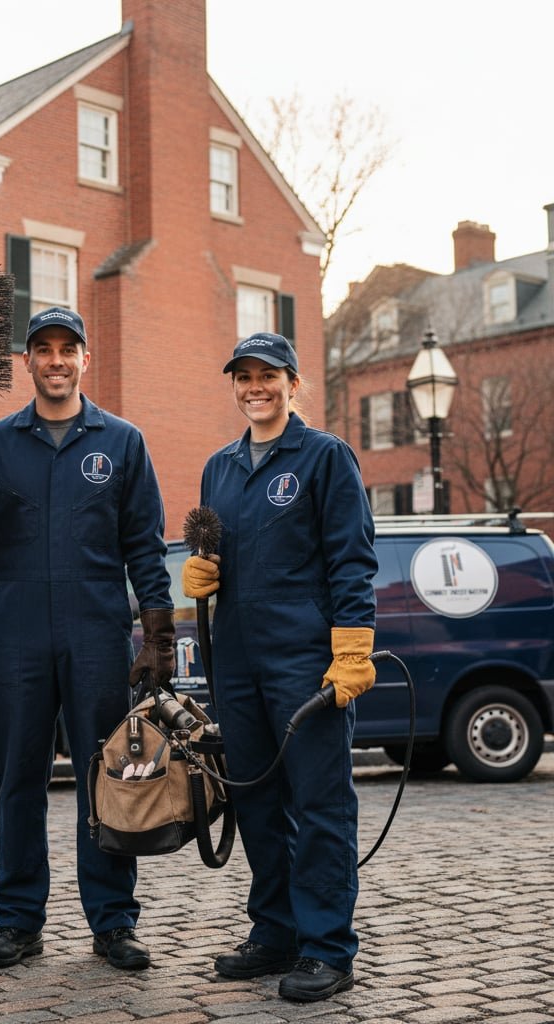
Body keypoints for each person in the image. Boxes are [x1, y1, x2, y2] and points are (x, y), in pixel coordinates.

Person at [0, 307, 175, 972]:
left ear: (84, 359)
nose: (56, 360)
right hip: (17, 636)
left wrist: (156, 635)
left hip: (97, 632)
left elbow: (146, 548)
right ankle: (17, 921)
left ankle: (114, 921)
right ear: (28, 362)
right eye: (43, 349)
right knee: (18, 777)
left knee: (109, 777)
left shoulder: (122, 442)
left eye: (68, 349)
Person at [182, 331, 377, 1003]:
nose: (255, 387)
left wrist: (352, 650)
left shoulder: (325, 457)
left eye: (268, 375)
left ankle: (328, 948)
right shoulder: (220, 467)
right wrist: (202, 572)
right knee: (257, 802)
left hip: (306, 660)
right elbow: (213, 547)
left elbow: (352, 559)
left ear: (294, 384)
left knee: (320, 805)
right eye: (244, 376)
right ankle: (275, 931)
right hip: (237, 660)